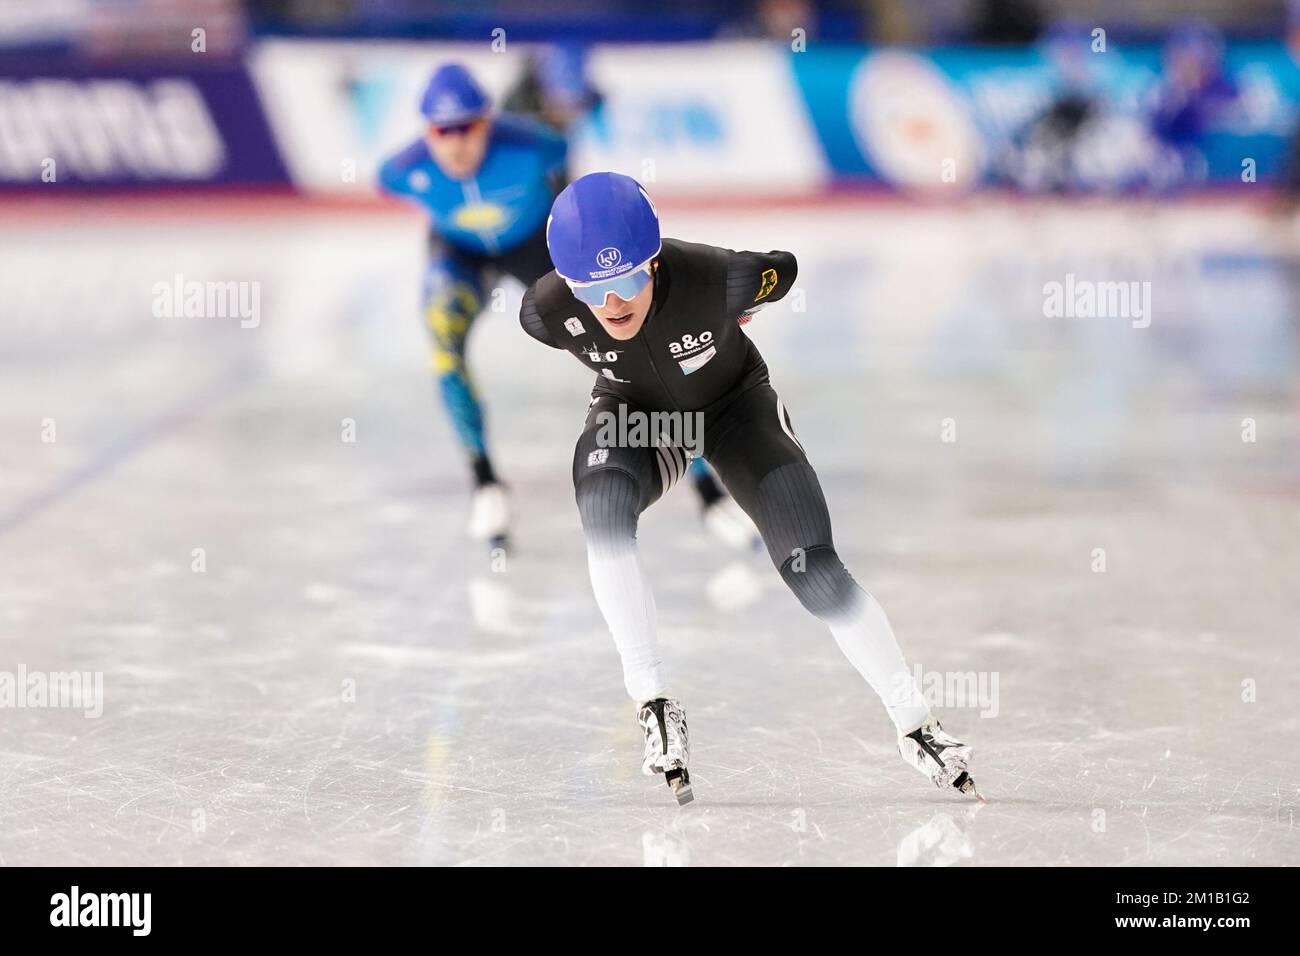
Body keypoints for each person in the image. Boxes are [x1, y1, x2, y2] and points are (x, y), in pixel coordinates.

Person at [519, 172, 981, 804]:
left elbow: (782, 268)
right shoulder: (546, 311)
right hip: (641, 418)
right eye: (592, 289)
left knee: (811, 566)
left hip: (737, 413)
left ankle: (914, 723)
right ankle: (652, 700)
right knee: (601, 507)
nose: (613, 304)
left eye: (628, 279)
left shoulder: (718, 278)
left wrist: (746, 300)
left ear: (654, 260)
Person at [381, 63, 755, 552]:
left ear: (487, 124)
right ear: (426, 131)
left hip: (535, 250)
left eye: (467, 128)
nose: (455, 144)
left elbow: (575, 188)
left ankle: (706, 487)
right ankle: (485, 481)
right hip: (461, 257)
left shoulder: (534, 147)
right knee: (442, 342)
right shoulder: (401, 172)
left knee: (634, 345)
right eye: (441, 131)